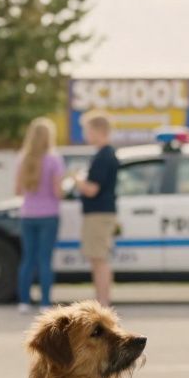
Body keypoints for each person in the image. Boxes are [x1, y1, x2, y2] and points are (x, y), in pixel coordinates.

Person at [14, 117, 66, 313]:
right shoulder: (54, 159)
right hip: (49, 215)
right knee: (45, 258)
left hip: (28, 214)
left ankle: (24, 301)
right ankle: (45, 302)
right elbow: (58, 192)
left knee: (28, 258)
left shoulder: (22, 158)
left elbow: (18, 190)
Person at [74, 111, 119, 307]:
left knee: (99, 259)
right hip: (100, 213)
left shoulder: (103, 156)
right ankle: (102, 300)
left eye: (87, 130)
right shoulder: (106, 154)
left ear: (97, 130)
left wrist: (77, 180)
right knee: (97, 258)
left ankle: (103, 302)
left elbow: (92, 189)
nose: (85, 134)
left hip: (98, 214)